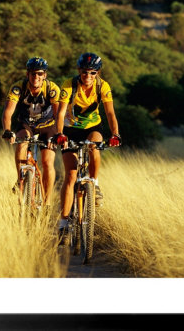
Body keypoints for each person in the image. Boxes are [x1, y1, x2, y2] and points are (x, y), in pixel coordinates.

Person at [52, 52, 121, 238]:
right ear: (79, 71)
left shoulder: (103, 86)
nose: (88, 76)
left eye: (93, 73)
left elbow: (110, 114)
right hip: (70, 129)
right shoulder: (69, 84)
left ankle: (94, 183)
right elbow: (60, 113)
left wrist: (115, 134)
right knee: (71, 174)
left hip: (92, 127)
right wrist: (59, 134)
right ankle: (64, 222)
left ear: (98, 73)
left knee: (95, 145)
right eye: (85, 72)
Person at [1, 57, 60, 206]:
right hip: (27, 124)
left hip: (48, 125)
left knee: (47, 162)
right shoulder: (18, 88)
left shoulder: (52, 88)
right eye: (33, 73)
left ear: (44, 75)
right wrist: (7, 130)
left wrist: (59, 133)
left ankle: (46, 202)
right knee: (21, 142)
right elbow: (8, 112)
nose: (36, 77)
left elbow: (58, 114)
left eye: (40, 74)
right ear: (27, 74)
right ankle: (20, 179)